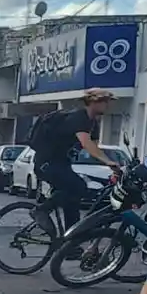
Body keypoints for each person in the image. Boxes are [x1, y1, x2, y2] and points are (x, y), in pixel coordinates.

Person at [31, 89, 119, 232]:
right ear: (93, 102)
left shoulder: (93, 123)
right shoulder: (79, 117)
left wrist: (112, 167)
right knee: (78, 186)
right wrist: (109, 162)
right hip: (46, 164)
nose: (108, 105)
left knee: (73, 202)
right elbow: (86, 143)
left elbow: (95, 149)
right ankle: (41, 210)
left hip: (62, 164)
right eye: (105, 102)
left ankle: (71, 244)